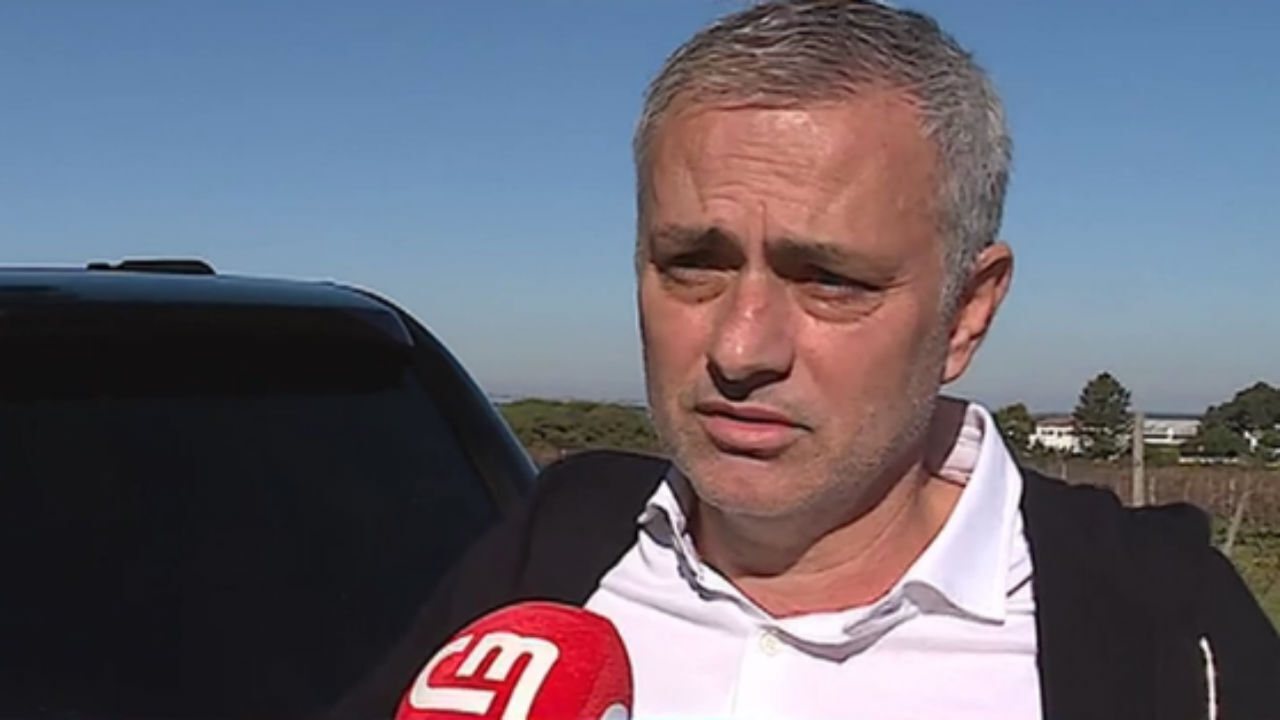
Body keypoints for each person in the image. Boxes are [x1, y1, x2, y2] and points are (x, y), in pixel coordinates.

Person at [333, 2, 1280, 718]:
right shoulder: (551, 547)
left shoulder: (1164, 629)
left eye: (830, 280)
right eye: (692, 265)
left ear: (967, 312)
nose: (740, 348)